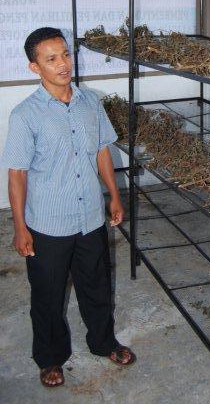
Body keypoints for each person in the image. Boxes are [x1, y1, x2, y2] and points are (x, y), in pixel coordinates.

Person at [0, 27, 136, 388]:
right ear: (35, 67)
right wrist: (20, 227)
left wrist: (114, 195)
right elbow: (17, 175)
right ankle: (50, 358)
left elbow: (102, 150)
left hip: (89, 216)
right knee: (47, 296)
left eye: (65, 54)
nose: (63, 64)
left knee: (97, 286)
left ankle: (103, 342)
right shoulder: (25, 115)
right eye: (51, 58)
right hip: (48, 223)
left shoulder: (91, 102)